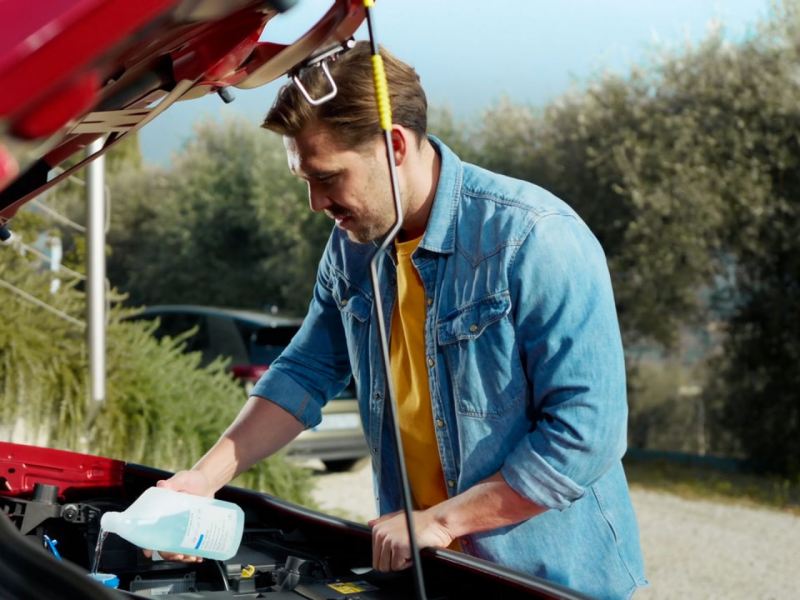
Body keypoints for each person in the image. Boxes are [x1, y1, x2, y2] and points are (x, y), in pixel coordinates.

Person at [158, 42, 647, 599]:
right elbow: (304, 372)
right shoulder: (352, 249)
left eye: (326, 177)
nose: (316, 203)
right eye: (305, 182)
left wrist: (441, 521)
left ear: (393, 145)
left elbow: (586, 436)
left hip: (550, 580)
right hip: (427, 573)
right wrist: (203, 478)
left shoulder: (536, 239)